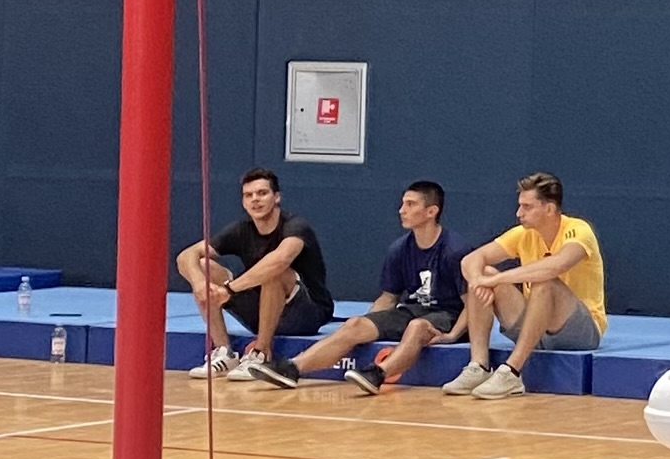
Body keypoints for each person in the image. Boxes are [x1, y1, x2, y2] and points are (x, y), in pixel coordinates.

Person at [291, 180, 465, 395]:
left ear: (431, 211)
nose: (402, 210)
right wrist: (369, 322)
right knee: (355, 324)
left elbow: (472, 304)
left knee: (417, 327)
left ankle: (378, 374)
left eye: (411, 204)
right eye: (403, 203)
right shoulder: (399, 249)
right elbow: (389, 297)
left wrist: (453, 335)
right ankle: (292, 367)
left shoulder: (454, 250)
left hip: (448, 315)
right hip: (411, 310)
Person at [448, 171, 606, 400]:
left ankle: (512, 372)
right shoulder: (523, 234)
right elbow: (471, 260)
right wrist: (478, 282)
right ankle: (478, 366)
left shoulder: (578, 230)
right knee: (483, 272)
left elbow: (556, 266)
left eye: (527, 207)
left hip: (578, 331)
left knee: (545, 281)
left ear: (549, 209)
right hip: (535, 325)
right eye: (520, 206)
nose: (518, 213)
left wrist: (497, 279)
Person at [178, 168, 334, 387]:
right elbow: (186, 256)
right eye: (248, 195)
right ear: (243, 202)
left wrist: (229, 289)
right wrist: (198, 285)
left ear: (276, 197)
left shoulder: (296, 227)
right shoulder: (241, 230)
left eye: (262, 193)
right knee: (203, 266)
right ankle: (224, 352)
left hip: (306, 313)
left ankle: (260, 353)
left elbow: (280, 260)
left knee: (274, 271)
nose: (255, 200)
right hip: (262, 310)